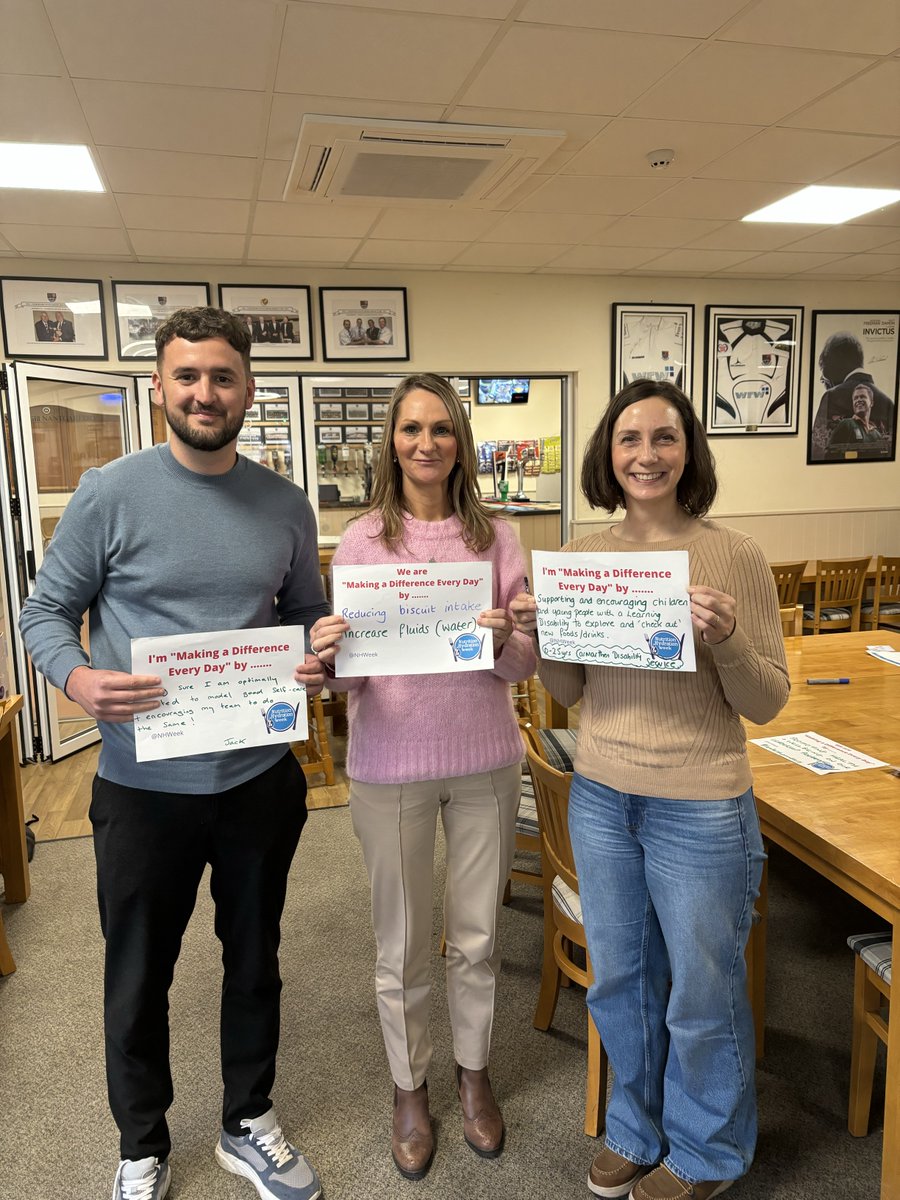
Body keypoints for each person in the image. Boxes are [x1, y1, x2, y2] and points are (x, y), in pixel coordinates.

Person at [19, 307, 330, 1200]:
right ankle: (141, 1142)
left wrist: (317, 647)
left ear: (248, 390)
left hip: (257, 780)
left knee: (255, 957)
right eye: (187, 376)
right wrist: (77, 680)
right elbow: (44, 613)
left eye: (222, 377)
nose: (205, 392)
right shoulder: (108, 492)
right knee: (138, 970)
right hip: (141, 785)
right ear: (158, 387)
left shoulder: (283, 503)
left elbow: (306, 612)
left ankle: (247, 1122)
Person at [511, 379, 789, 1200]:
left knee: (703, 991)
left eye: (664, 439)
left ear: (689, 452)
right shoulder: (583, 558)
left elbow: (767, 703)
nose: (646, 455)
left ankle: (709, 1151)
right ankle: (636, 1129)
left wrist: (730, 640)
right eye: (630, 440)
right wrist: (538, 635)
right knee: (625, 980)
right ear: (609, 453)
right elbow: (572, 685)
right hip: (602, 796)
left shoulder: (733, 555)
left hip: (702, 804)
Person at [310, 373, 535, 1181]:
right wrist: (329, 659)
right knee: (400, 943)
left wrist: (511, 632)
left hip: (485, 758)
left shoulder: (500, 537)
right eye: (411, 429)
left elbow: (520, 669)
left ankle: (474, 1075)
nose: (427, 443)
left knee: (475, 937)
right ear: (391, 443)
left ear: (460, 442)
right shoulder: (365, 539)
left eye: (442, 428)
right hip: (389, 763)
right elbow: (352, 679)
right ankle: (410, 1087)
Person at [827, 381, 887, 454]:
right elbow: (829, 453)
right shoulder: (846, 424)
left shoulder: (877, 434)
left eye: (862, 396)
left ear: (871, 403)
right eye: (855, 398)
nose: (858, 400)